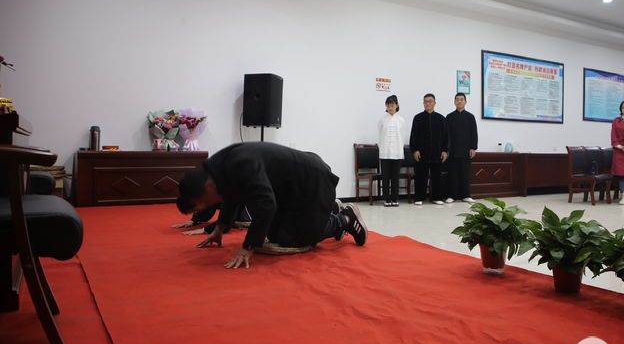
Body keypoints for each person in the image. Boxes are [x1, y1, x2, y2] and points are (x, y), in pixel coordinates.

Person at [176, 142, 367, 269]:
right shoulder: (217, 169)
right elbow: (232, 195)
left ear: (207, 187)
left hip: (313, 182)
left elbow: (266, 205)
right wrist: (220, 228)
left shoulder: (240, 163)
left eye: (202, 205)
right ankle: (326, 210)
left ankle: (344, 218)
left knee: (294, 239)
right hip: (291, 190)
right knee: (275, 236)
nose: (206, 208)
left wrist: (247, 247)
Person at [409, 93, 449, 206]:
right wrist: (415, 150)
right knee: (421, 176)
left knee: (437, 176)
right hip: (421, 153)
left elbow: (446, 137)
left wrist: (445, 150)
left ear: (434, 103)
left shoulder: (441, 119)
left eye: (430, 101)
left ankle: (436, 197)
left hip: (437, 153)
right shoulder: (417, 118)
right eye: (426, 101)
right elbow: (413, 136)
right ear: (423, 103)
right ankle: (419, 197)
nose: (428, 103)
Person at [445, 93, 478, 203]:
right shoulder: (449, 117)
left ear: (465, 101)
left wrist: (473, 148)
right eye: (457, 99)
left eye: (461, 99)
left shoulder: (470, 117)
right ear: (454, 102)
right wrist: (446, 149)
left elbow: (474, 133)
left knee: (465, 174)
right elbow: (446, 135)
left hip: (466, 151)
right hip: (452, 151)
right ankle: (451, 196)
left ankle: (466, 195)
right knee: (452, 174)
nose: (459, 101)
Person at [378, 95, 406, 207]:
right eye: (388, 105)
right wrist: (382, 149)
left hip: (397, 153)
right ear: (386, 106)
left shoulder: (401, 120)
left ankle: (395, 199)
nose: (390, 107)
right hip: (385, 153)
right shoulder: (382, 120)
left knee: (395, 177)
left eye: (392, 105)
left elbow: (402, 137)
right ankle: (386, 199)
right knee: (385, 177)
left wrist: (400, 150)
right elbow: (380, 136)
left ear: (397, 105)